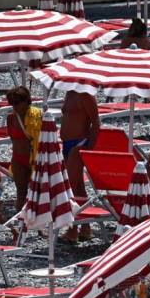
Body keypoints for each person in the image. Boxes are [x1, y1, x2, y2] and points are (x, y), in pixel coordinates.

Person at [59, 91, 99, 243]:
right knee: (78, 187)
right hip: (67, 144)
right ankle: (86, 227)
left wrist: (89, 148)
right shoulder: (69, 92)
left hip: (79, 143)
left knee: (69, 186)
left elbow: (95, 121)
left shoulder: (86, 93)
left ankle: (72, 229)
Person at [5, 86, 41, 209]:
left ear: (26, 101)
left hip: (35, 158)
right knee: (21, 193)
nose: (14, 106)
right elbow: (12, 138)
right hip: (18, 158)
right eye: (12, 103)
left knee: (38, 193)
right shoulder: (10, 118)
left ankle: (39, 225)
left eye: (17, 103)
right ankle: (21, 223)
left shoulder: (37, 116)